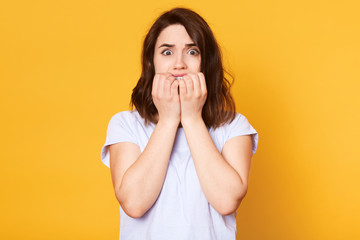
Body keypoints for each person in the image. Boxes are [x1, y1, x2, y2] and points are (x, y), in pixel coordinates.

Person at [101, 7, 259, 240]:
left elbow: (227, 201)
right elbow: (134, 204)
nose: (179, 64)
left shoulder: (234, 126)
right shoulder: (125, 124)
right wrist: (168, 119)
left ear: (206, 62)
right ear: (151, 62)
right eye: (167, 52)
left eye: (192, 51)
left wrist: (192, 118)